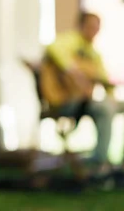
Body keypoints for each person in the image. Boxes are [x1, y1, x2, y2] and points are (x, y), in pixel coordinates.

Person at [44, 11, 117, 173]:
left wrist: (111, 96)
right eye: (91, 26)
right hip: (65, 99)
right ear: (81, 25)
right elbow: (53, 47)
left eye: (97, 27)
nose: (94, 31)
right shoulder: (70, 41)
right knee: (104, 109)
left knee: (115, 106)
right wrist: (73, 72)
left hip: (83, 102)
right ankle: (100, 160)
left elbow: (104, 80)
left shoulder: (94, 54)